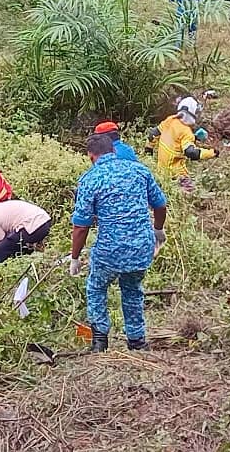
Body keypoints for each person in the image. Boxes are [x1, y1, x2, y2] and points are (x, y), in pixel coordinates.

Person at [69, 134, 168, 352]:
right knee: (132, 289)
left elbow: (81, 226)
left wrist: (75, 258)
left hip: (109, 251)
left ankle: (100, 341)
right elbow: (160, 205)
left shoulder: (90, 179)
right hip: (141, 248)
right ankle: (137, 341)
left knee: (96, 287)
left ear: (91, 156)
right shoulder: (139, 170)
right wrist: (158, 230)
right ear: (114, 151)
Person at [147, 96, 217, 188]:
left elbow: (153, 134)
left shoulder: (171, 120)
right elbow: (191, 152)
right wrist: (212, 153)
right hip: (177, 175)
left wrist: (148, 151)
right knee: (191, 195)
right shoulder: (186, 132)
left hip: (161, 171)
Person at [0, 199, 52, 263]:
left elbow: (3, 241)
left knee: (3, 249)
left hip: (35, 226)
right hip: (44, 220)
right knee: (11, 243)